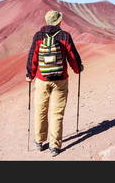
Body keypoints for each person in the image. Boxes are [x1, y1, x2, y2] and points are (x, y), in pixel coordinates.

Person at [26, 10, 83, 157]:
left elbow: (32, 56)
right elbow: (72, 56)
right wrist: (78, 69)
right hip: (61, 80)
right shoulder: (65, 36)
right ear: (59, 21)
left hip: (42, 80)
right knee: (57, 113)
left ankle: (39, 142)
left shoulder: (38, 36)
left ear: (46, 21)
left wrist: (29, 75)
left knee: (40, 110)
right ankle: (54, 146)